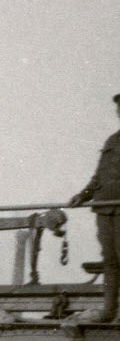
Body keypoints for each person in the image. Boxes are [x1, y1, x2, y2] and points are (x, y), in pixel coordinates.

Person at [69, 92, 120, 323]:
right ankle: (109, 311)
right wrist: (83, 195)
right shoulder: (112, 140)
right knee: (109, 259)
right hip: (104, 207)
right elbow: (98, 176)